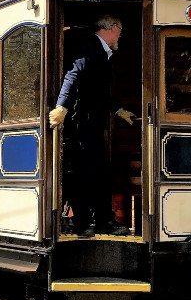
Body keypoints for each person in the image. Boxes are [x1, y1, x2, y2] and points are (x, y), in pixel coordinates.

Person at [49, 14, 136, 237]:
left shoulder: (101, 53)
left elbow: (100, 93)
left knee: (97, 172)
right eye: (120, 30)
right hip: (82, 124)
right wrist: (61, 108)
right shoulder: (91, 48)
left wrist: (119, 111)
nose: (120, 36)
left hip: (91, 124)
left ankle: (100, 222)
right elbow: (72, 76)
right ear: (112, 28)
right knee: (87, 173)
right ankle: (86, 224)